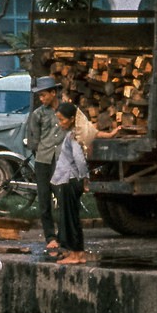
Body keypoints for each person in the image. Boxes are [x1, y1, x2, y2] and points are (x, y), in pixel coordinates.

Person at [25, 76, 66, 255]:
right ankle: (50, 237)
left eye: (44, 95)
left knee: (63, 199)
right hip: (43, 160)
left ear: (53, 93)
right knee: (44, 200)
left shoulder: (67, 110)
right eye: (39, 96)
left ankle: (64, 235)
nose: (42, 99)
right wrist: (39, 151)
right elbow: (33, 140)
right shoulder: (38, 114)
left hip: (63, 161)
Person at [51, 101, 89, 265]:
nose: (60, 123)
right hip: (71, 179)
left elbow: (79, 159)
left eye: (62, 119)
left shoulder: (73, 135)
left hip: (70, 179)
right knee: (73, 217)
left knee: (70, 218)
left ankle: (75, 254)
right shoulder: (74, 133)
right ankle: (78, 253)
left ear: (72, 118)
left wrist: (84, 177)